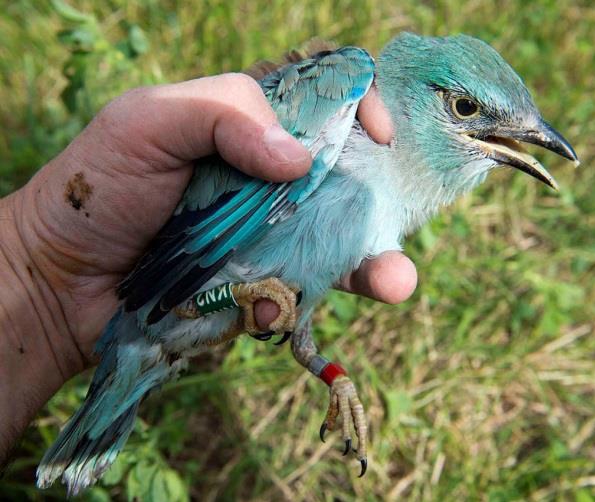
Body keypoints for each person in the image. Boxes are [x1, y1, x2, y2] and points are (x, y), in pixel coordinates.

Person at [0, 73, 418, 464]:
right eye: (464, 110)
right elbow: (182, 301)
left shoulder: (391, 195)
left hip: (119, 313)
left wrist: (338, 380)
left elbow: (301, 344)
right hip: (160, 308)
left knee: (290, 314)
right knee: (242, 304)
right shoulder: (349, 91)